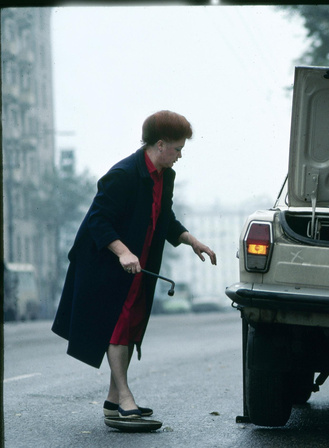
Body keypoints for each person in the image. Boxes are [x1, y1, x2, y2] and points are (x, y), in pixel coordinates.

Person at [52, 110, 217, 419]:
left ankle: (113, 401)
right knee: (118, 323)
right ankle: (125, 397)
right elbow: (97, 222)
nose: (180, 155)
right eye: (178, 149)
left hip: (137, 264)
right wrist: (123, 252)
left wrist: (191, 240)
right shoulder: (125, 173)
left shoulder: (165, 176)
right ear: (160, 144)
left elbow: (163, 217)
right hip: (105, 261)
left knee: (131, 323)